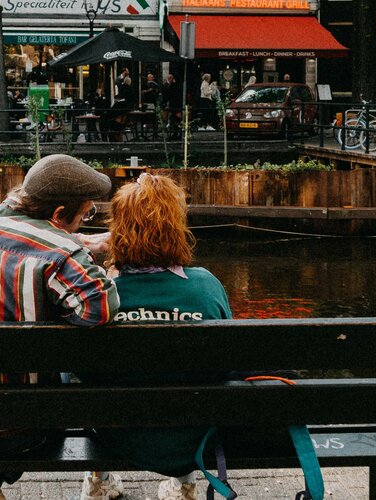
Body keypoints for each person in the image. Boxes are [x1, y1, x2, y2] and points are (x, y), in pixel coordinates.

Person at [0, 154, 119, 500]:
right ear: (59, 215)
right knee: (50, 381)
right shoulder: (62, 251)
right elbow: (99, 308)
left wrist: (73, 241)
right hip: (23, 434)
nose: (85, 223)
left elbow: (21, 232)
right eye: (85, 215)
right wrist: (76, 249)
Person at [80, 173, 232, 500]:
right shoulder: (206, 286)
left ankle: (99, 481)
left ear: (117, 229)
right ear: (178, 226)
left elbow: (82, 373)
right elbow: (226, 364)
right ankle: (183, 483)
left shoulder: (100, 297)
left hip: (115, 436)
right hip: (192, 437)